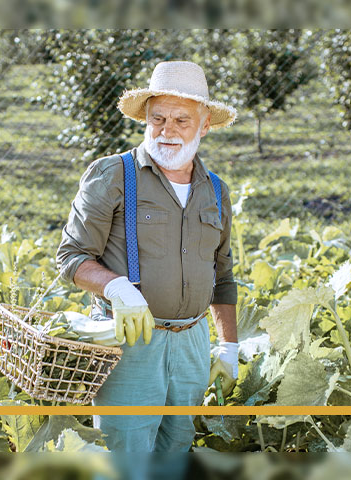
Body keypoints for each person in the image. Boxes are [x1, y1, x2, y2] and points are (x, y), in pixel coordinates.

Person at [56, 60, 239, 453]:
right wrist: (117, 286)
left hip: (192, 343)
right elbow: (71, 256)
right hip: (132, 343)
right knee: (126, 456)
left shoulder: (216, 190)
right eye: (158, 119)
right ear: (145, 120)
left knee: (176, 450)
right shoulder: (113, 175)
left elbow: (222, 276)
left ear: (204, 126)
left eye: (181, 120)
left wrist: (228, 346)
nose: (167, 131)